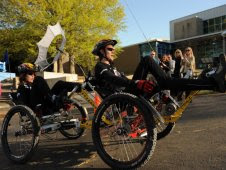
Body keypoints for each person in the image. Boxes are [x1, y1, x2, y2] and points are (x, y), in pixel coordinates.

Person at [92, 39, 226, 99]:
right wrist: (137, 82)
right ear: (101, 52)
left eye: (113, 49)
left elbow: (120, 79)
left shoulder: (111, 66)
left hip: (128, 92)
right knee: (148, 61)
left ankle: (211, 80)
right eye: (110, 49)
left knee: (167, 80)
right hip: (123, 98)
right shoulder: (100, 67)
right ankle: (213, 82)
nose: (113, 51)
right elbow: (112, 79)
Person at [17, 63, 81, 115]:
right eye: (30, 74)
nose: (33, 76)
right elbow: (22, 106)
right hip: (37, 109)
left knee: (60, 84)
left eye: (34, 74)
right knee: (39, 79)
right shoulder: (21, 87)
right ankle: (55, 99)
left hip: (47, 104)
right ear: (23, 75)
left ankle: (82, 87)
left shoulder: (34, 85)